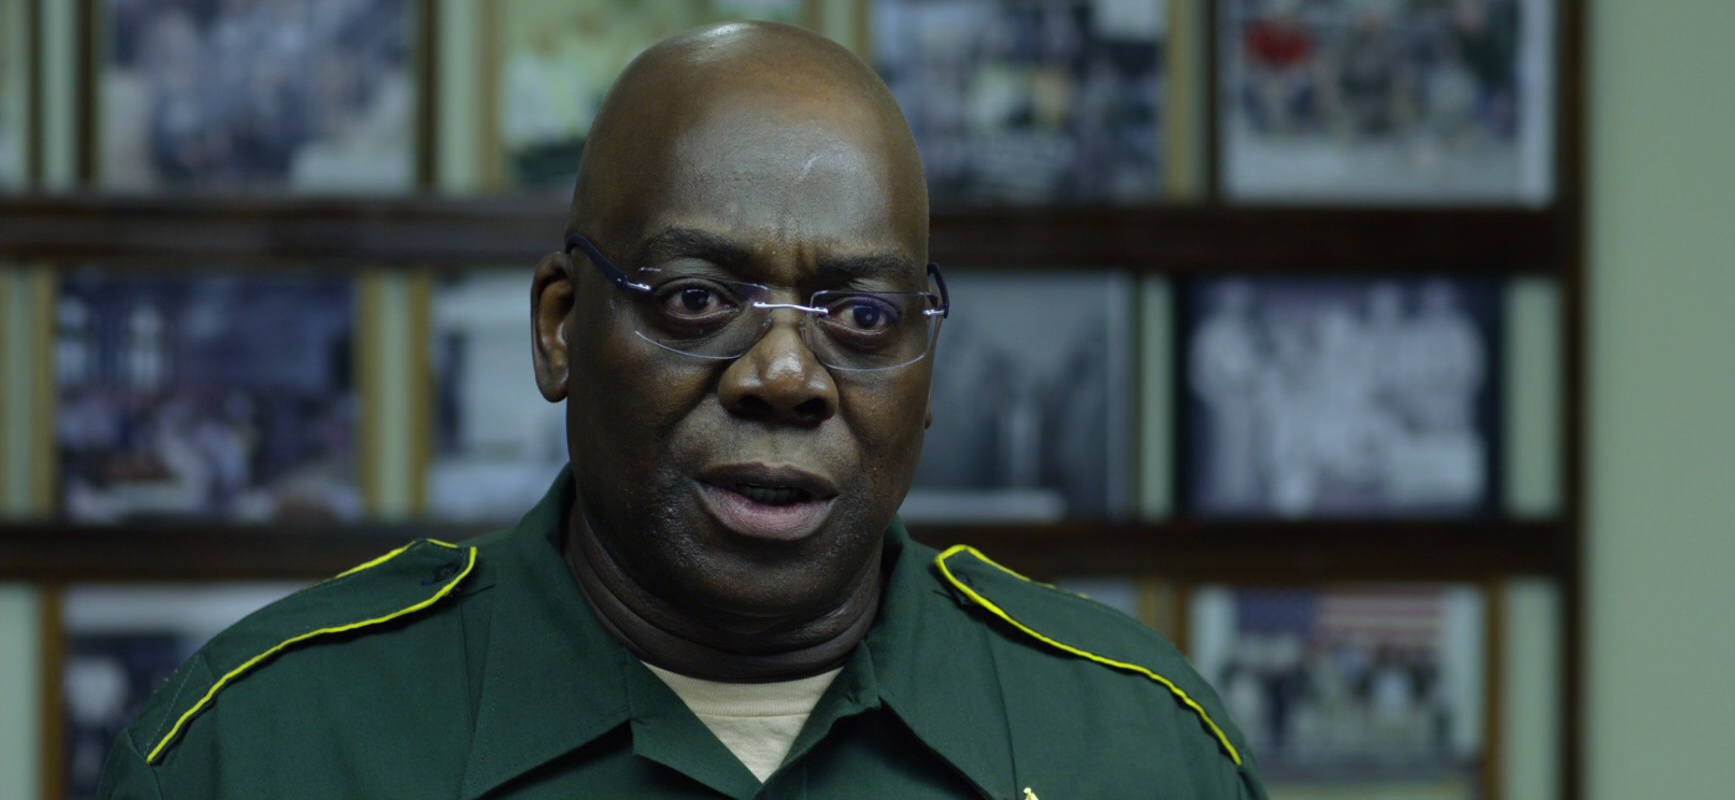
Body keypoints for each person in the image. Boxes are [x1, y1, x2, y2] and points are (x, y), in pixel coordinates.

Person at [99, 22, 1266, 799]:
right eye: (698, 298)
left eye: (861, 314)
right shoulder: (263, 749)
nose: (786, 374)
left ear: (924, 363)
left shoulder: (1136, 746)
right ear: (561, 327)